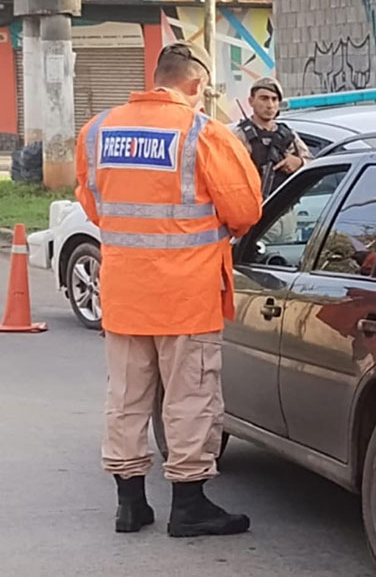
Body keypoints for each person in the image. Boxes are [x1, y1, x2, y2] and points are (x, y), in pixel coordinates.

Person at [74, 41, 263, 536]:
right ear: (197, 84)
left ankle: (130, 504)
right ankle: (189, 503)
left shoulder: (97, 131)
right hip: (186, 297)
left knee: (126, 398)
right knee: (190, 400)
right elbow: (245, 212)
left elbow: (94, 206)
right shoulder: (204, 134)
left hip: (123, 294)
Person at [230, 76, 312, 198]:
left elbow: (312, 165)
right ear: (251, 101)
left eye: (274, 99)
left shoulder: (288, 134)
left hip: (283, 207)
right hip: (249, 204)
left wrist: (299, 163)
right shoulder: (239, 135)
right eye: (264, 99)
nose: (270, 105)